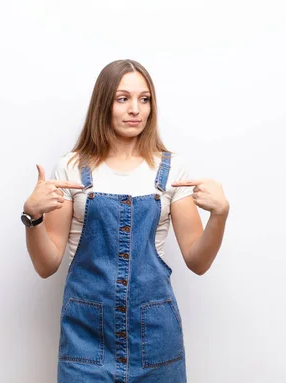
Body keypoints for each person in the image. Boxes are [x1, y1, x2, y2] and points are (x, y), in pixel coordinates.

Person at [21, 59, 229, 382]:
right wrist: (32, 216)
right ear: (104, 103)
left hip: (156, 343)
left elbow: (197, 260)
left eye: (144, 99)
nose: (136, 109)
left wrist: (219, 215)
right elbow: (47, 264)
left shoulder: (173, 170)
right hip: (85, 343)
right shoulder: (72, 168)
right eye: (123, 99)